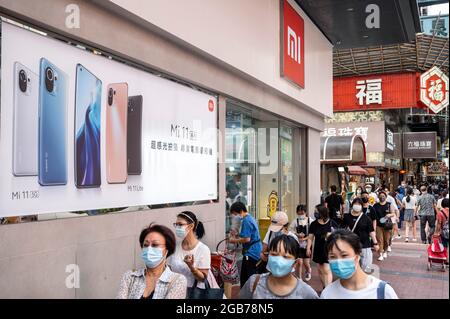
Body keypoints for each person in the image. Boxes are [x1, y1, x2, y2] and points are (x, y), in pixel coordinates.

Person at [320, 229, 398, 299]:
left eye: (344, 255)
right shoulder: (327, 294)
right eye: (332, 257)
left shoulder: (383, 292)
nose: (338, 261)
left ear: (357, 256)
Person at [117, 223, 187, 299]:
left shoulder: (177, 280)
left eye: (155, 245)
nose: (149, 249)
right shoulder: (130, 277)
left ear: (167, 250)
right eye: (146, 245)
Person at [239, 235, 319, 299]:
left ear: (295, 263)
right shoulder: (254, 283)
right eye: (274, 254)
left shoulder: (306, 293)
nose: (278, 260)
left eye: (286, 257)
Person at [168, 211, 212, 292]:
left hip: (194, 293)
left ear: (191, 226)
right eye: (176, 224)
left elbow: (203, 279)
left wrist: (191, 267)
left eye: (180, 224)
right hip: (175, 292)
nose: (177, 227)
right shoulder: (174, 247)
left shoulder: (203, 249)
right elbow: (170, 272)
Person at [228, 202, 262, 288]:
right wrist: (237, 235)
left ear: (240, 211)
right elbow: (247, 235)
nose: (235, 216)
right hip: (254, 250)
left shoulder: (246, 220)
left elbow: (247, 239)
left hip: (251, 252)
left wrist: (234, 240)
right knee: (245, 276)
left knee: (249, 277)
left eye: (235, 214)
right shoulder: (250, 218)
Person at [342, 198, 379, 273]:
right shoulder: (346, 217)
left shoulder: (366, 218)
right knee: (351, 267)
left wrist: (375, 243)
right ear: (352, 205)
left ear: (362, 206)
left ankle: (364, 282)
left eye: (359, 204)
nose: (357, 206)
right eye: (355, 204)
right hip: (350, 245)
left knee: (366, 267)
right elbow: (342, 230)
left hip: (364, 246)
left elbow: (371, 231)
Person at [307, 205, 338, 288]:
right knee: (320, 269)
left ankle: (328, 289)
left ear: (322, 212)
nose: (315, 213)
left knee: (326, 269)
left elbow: (338, 235)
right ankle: (325, 286)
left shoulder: (331, 223)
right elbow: (310, 238)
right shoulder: (314, 224)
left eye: (316, 211)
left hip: (328, 249)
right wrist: (308, 248)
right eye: (315, 211)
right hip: (318, 249)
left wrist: (331, 235)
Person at [289, 204, 312, 281]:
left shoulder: (310, 221)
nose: (300, 215)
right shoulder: (295, 221)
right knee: (299, 261)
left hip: (307, 244)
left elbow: (312, 235)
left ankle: (308, 271)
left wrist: (305, 238)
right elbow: (290, 230)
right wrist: (297, 234)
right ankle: (299, 278)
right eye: (298, 213)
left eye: (302, 213)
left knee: (306, 262)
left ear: (305, 212)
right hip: (298, 244)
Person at [373, 191, 396, 261]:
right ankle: (380, 254)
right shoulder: (375, 205)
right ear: (378, 197)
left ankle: (385, 251)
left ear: (386, 197)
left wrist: (389, 215)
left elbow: (393, 213)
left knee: (386, 240)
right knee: (380, 240)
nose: (382, 197)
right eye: (380, 196)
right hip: (378, 225)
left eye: (383, 196)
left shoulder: (389, 205)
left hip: (387, 225)